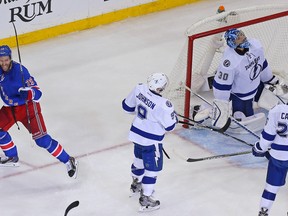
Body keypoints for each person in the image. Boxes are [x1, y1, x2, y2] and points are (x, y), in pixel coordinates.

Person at [0, 45, 78, 178]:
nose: (3, 63)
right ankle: (12, 156)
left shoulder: (21, 72)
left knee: (42, 140)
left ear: (10, 59)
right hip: (10, 108)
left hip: (29, 108)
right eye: (1, 60)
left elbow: (38, 93)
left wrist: (29, 94)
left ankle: (68, 160)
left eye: (6, 60)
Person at [122, 73, 177, 212]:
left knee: (138, 161)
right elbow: (170, 127)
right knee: (152, 170)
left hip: (136, 135)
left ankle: (136, 184)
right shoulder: (164, 105)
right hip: (151, 142)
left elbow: (126, 107)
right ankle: (145, 200)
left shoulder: (139, 88)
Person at [210, 28, 281, 128]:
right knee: (242, 113)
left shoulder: (255, 46)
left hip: (253, 88)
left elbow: (262, 63)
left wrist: (269, 79)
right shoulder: (229, 61)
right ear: (232, 42)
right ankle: (233, 118)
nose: (243, 37)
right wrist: (221, 104)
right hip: (239, 95)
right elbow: (222, 85)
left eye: (242, 34)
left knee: (249, 109)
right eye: (238, 38)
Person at [252, 102, 288, 216]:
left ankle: (264, 212)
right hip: (279, 154)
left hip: (279, 156)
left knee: (271, 188)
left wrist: (259, 149)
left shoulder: (277, 110)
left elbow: (268, 137)